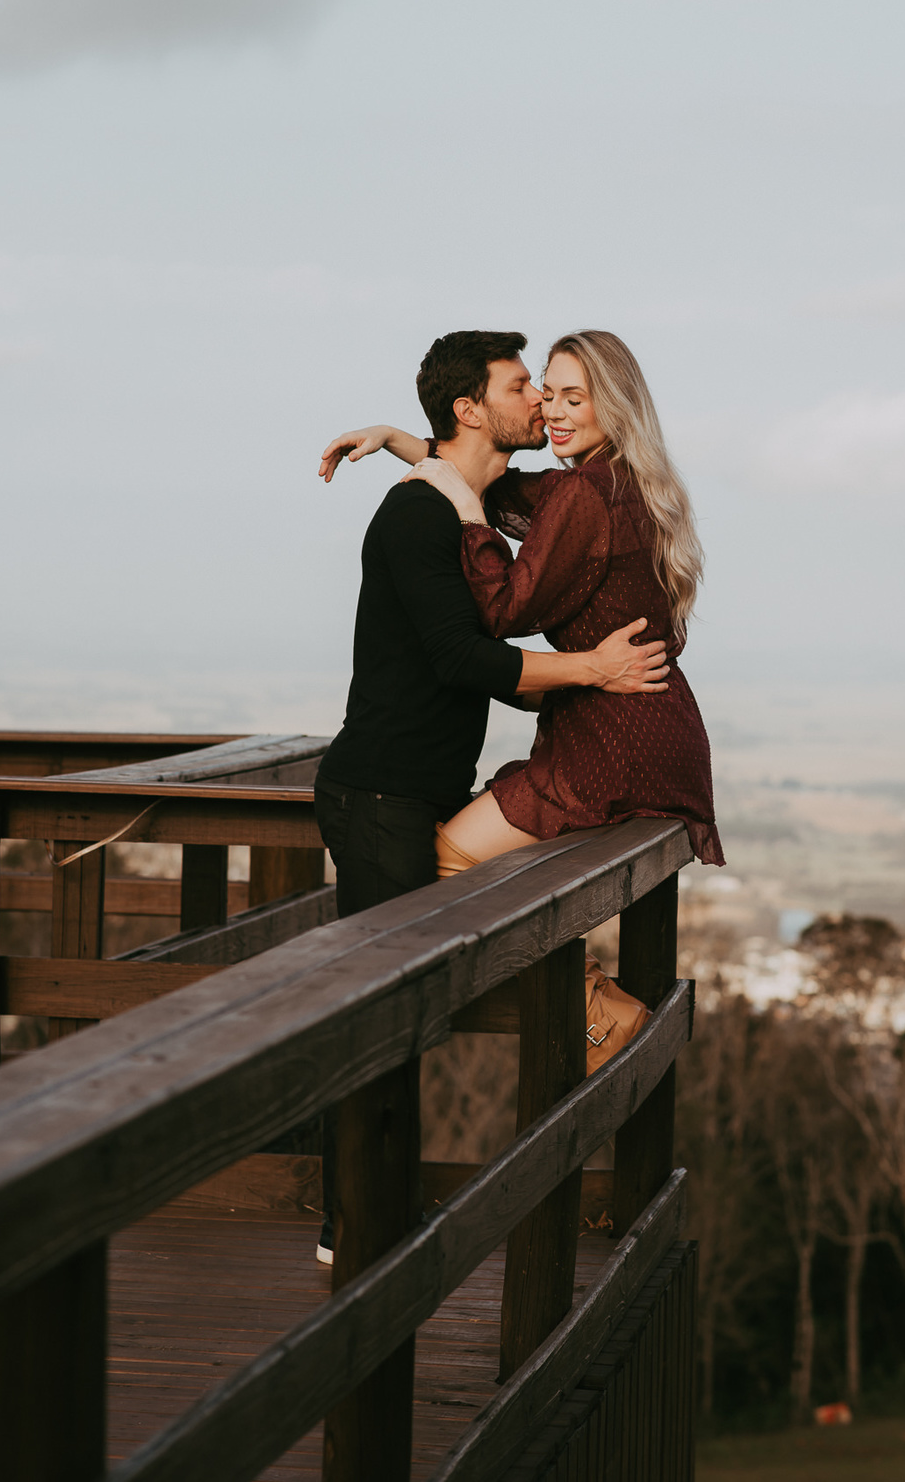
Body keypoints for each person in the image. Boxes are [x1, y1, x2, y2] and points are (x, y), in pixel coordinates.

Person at [311, 328, 670, 1263]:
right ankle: (349, 1228)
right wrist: (588, 667)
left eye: (552, 393)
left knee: (412, 1003)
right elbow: (466, 658)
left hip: (419, 792)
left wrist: (400, 436)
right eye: (525, 388)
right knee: (380, 1024)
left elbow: (482, 510)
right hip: (378, 796)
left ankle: (369, 1218)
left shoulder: (460, 499)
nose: (541, 405)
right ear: (473, 407)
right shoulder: (415, 520)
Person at [367, 328, 723, 877]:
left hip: (611, 738)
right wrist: (399, 439)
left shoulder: (583, 491)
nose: (551, 410)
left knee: (446, 863)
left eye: (573, 399)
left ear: (616, 404)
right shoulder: (622, 481)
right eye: (548, 392)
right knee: (526, 877)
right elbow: (495, 487)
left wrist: (467, 515)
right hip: (658, 728)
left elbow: (504, 610)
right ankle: (573, 967)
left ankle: (576, 971)